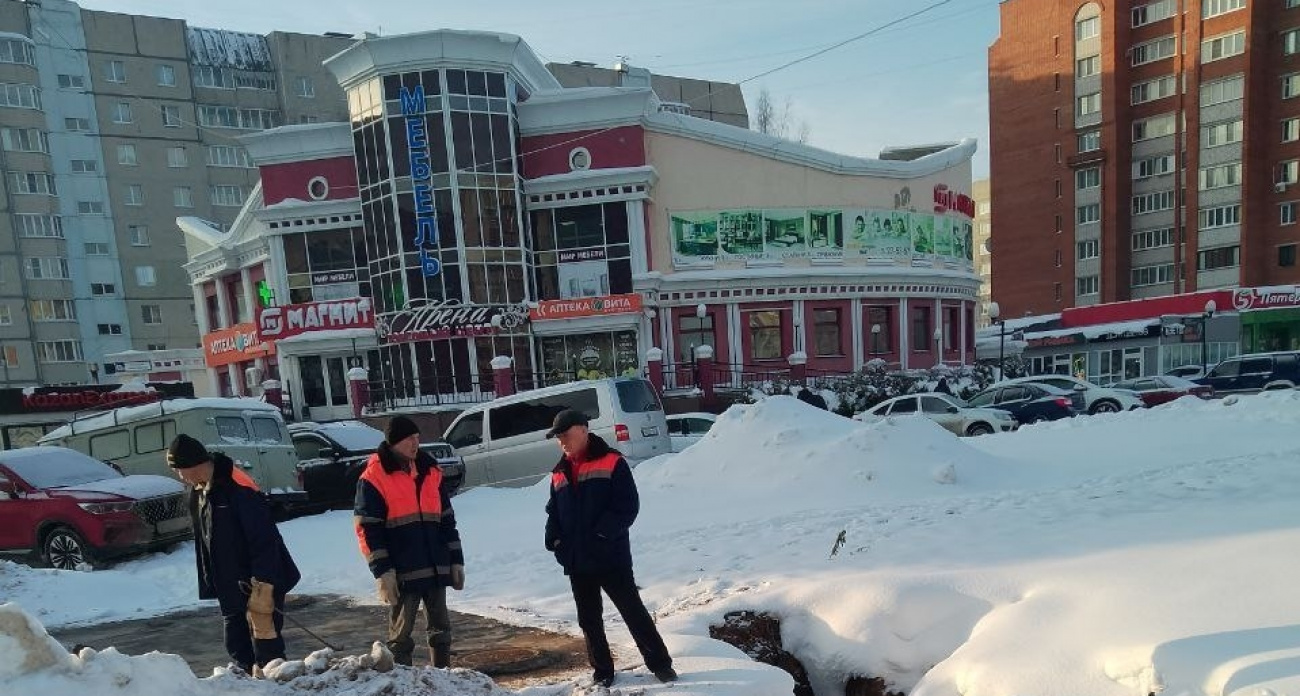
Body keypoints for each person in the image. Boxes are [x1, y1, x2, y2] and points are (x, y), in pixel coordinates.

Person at [544, 409, 676, 689]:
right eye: (558, 439)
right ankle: (602, 671)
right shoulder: (558, 472)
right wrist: (554, 542)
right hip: (577, 560)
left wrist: (601, 535)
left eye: (565, 435)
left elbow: (627, 507)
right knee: (588, 619)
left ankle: (661, 665)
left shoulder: (612, 461)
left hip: (610, 556)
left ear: (583, 430)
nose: (562, 442)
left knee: (632, 611)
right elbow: (553, 512)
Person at [167, 434, 300, 675]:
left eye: (179, 469)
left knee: (266, 645)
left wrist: (263, 583)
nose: (179, 476)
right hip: (228, 583)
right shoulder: (199, 492)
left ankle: (276, 686)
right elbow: (207, 541)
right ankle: (248, 684)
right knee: (238, 646)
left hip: (257, 581)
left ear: (193, 464)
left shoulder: (237, 487)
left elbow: (263, 539)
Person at [354, 415, 464, 667]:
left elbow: (446, 520)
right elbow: (368, 529)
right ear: (393, 443)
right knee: (401, 636)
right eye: (408, 440)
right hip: (402, 571)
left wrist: (456, 560)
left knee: (441, 629)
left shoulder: (430, 471)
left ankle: (443, 677)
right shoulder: (374, 478)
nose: (415, 444)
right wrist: (382, 571)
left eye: (417, 438)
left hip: (436, 566)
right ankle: (403, 683)